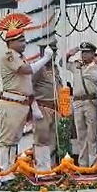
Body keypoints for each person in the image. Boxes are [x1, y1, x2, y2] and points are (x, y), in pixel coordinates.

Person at [0, 14, 53, 181]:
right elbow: (26, 71)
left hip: (22, 104)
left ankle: (9, 171)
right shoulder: (9, 56)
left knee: (14, 140)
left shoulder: (20, 57)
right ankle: (3, 173)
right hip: (11, 103)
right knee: (7, 140)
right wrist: (45, 59)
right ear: (10, 42)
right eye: (20, 40)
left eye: (24, 40)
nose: (24, 43)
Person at [65, 42, 97, 167]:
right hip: (77, 101)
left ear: (93, 53)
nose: (84, 54)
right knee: (81, 134)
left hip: (90, 101)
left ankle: (93, 164)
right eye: (83, 52)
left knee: (92, 134)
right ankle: (83, 164)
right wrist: (69, 54)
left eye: (87, 52)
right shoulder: (76, 65)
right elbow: (61, 64)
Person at [32, 39, 63, 171]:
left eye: (54, 52)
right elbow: (30, 87)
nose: (53, 55)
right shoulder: (38, 68)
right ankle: (41, 168)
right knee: (41, 139)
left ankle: (51, 167)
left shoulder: (55, 68)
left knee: (53, 140)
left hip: (55, 108)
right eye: (50, 52)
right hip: (42, 107)